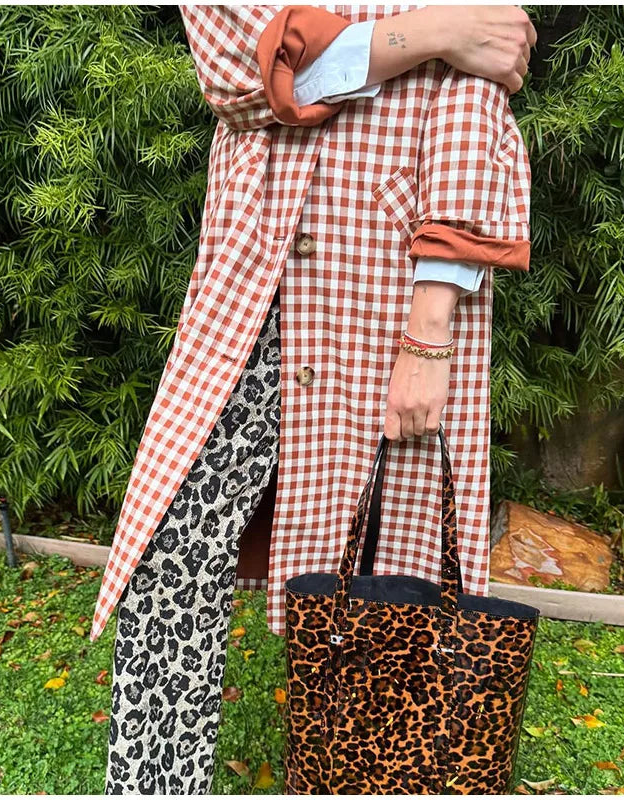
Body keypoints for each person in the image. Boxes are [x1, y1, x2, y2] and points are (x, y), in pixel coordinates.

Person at [93, 5, 535, 794]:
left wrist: (431, 336)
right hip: (253, 283)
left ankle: (374, 772)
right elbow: (244, 70)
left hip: (391, 292)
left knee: (395, 572)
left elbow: (475, 111)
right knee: (169, 550)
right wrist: (435, 33)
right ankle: (157, 784)